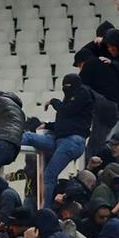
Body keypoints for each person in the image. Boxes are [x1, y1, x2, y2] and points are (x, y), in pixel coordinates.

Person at [22, 74, 92, 208]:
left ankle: (44, 210)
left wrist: (53, 101)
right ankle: (5, 146)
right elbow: (65, 122)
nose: (65, 89)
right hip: (61, 140)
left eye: (67, 86)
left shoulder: (82, 94)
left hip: (71, 141)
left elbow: (67, 112)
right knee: (29, 137)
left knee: (49, 175)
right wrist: (47, 125)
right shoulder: (70, 99)